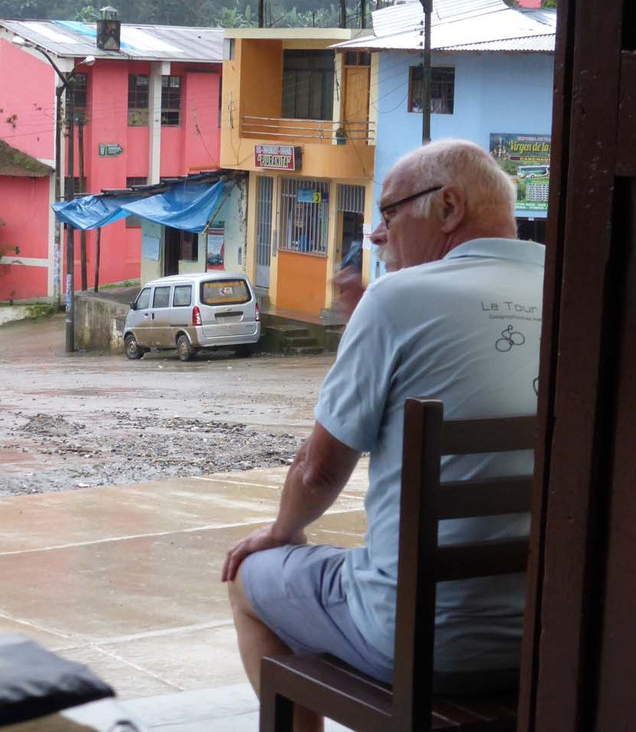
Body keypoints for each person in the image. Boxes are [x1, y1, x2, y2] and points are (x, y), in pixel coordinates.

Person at [222, 139, 545, 730]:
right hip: (552, 638)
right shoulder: (570, 291)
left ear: (448, 208)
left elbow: (318, 472)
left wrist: (280, 532)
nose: (375, 235)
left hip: (426, 640)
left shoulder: (397, 298)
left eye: (390, 213)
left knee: (251, 579)